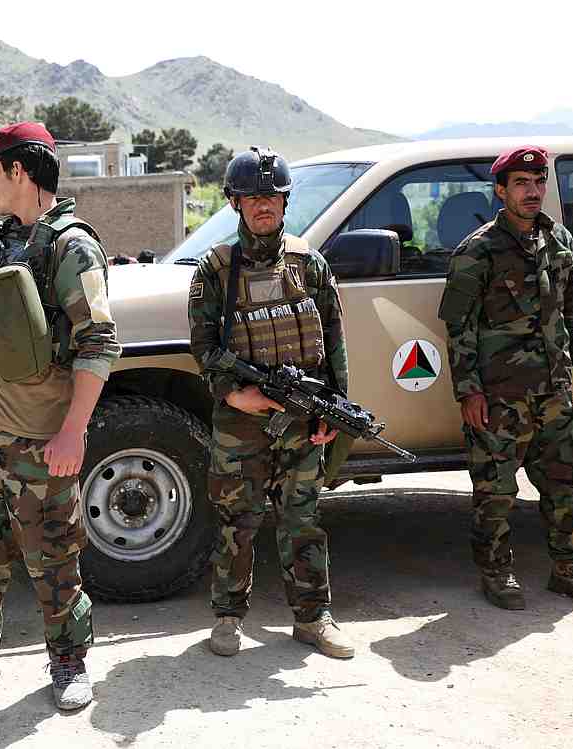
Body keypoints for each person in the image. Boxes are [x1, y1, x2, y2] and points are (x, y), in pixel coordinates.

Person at [0, 122, 120, 711]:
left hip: (42, 437)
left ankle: (68, 662)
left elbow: (99, 343)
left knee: (53, 554)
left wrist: (74, 431)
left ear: (19, 171)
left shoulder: (72, 247)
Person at [188, 147, 354, 659]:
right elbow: (204, 347)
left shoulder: (310, 263)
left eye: (272, 196)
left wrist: (333, 410)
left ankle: (312, 617)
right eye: (253, 197)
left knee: (302, 518)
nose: (264, 205)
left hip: (304, 418)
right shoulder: (215, 270)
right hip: (241, 422)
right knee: (238, 520)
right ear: (236, 203)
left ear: (285, 201)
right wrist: (236, 393)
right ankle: (228, 617)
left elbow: (334, 340)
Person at [438, 145, 573, 611]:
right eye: (521, 183)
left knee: (567, 483)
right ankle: (497, 574)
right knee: (495, 490)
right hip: (500, 396)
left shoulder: (558, 242)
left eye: (538, 183)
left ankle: (571, 570)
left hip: (554, 390)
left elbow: (570, 313)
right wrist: (469, 391)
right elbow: (458, 330)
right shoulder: (477, 252)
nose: (532, 191)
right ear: (501, 192)